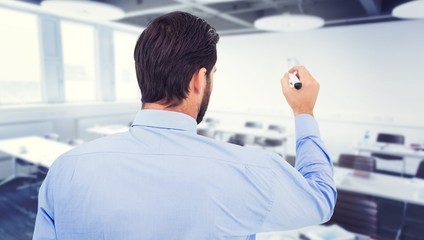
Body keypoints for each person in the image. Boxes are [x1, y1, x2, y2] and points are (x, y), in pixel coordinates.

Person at [33, 11, 336, 240]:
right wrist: (304, 110)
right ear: (198, 79)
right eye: (212, 74)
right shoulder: (251, 170)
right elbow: (320, 200)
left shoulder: (67, 169)